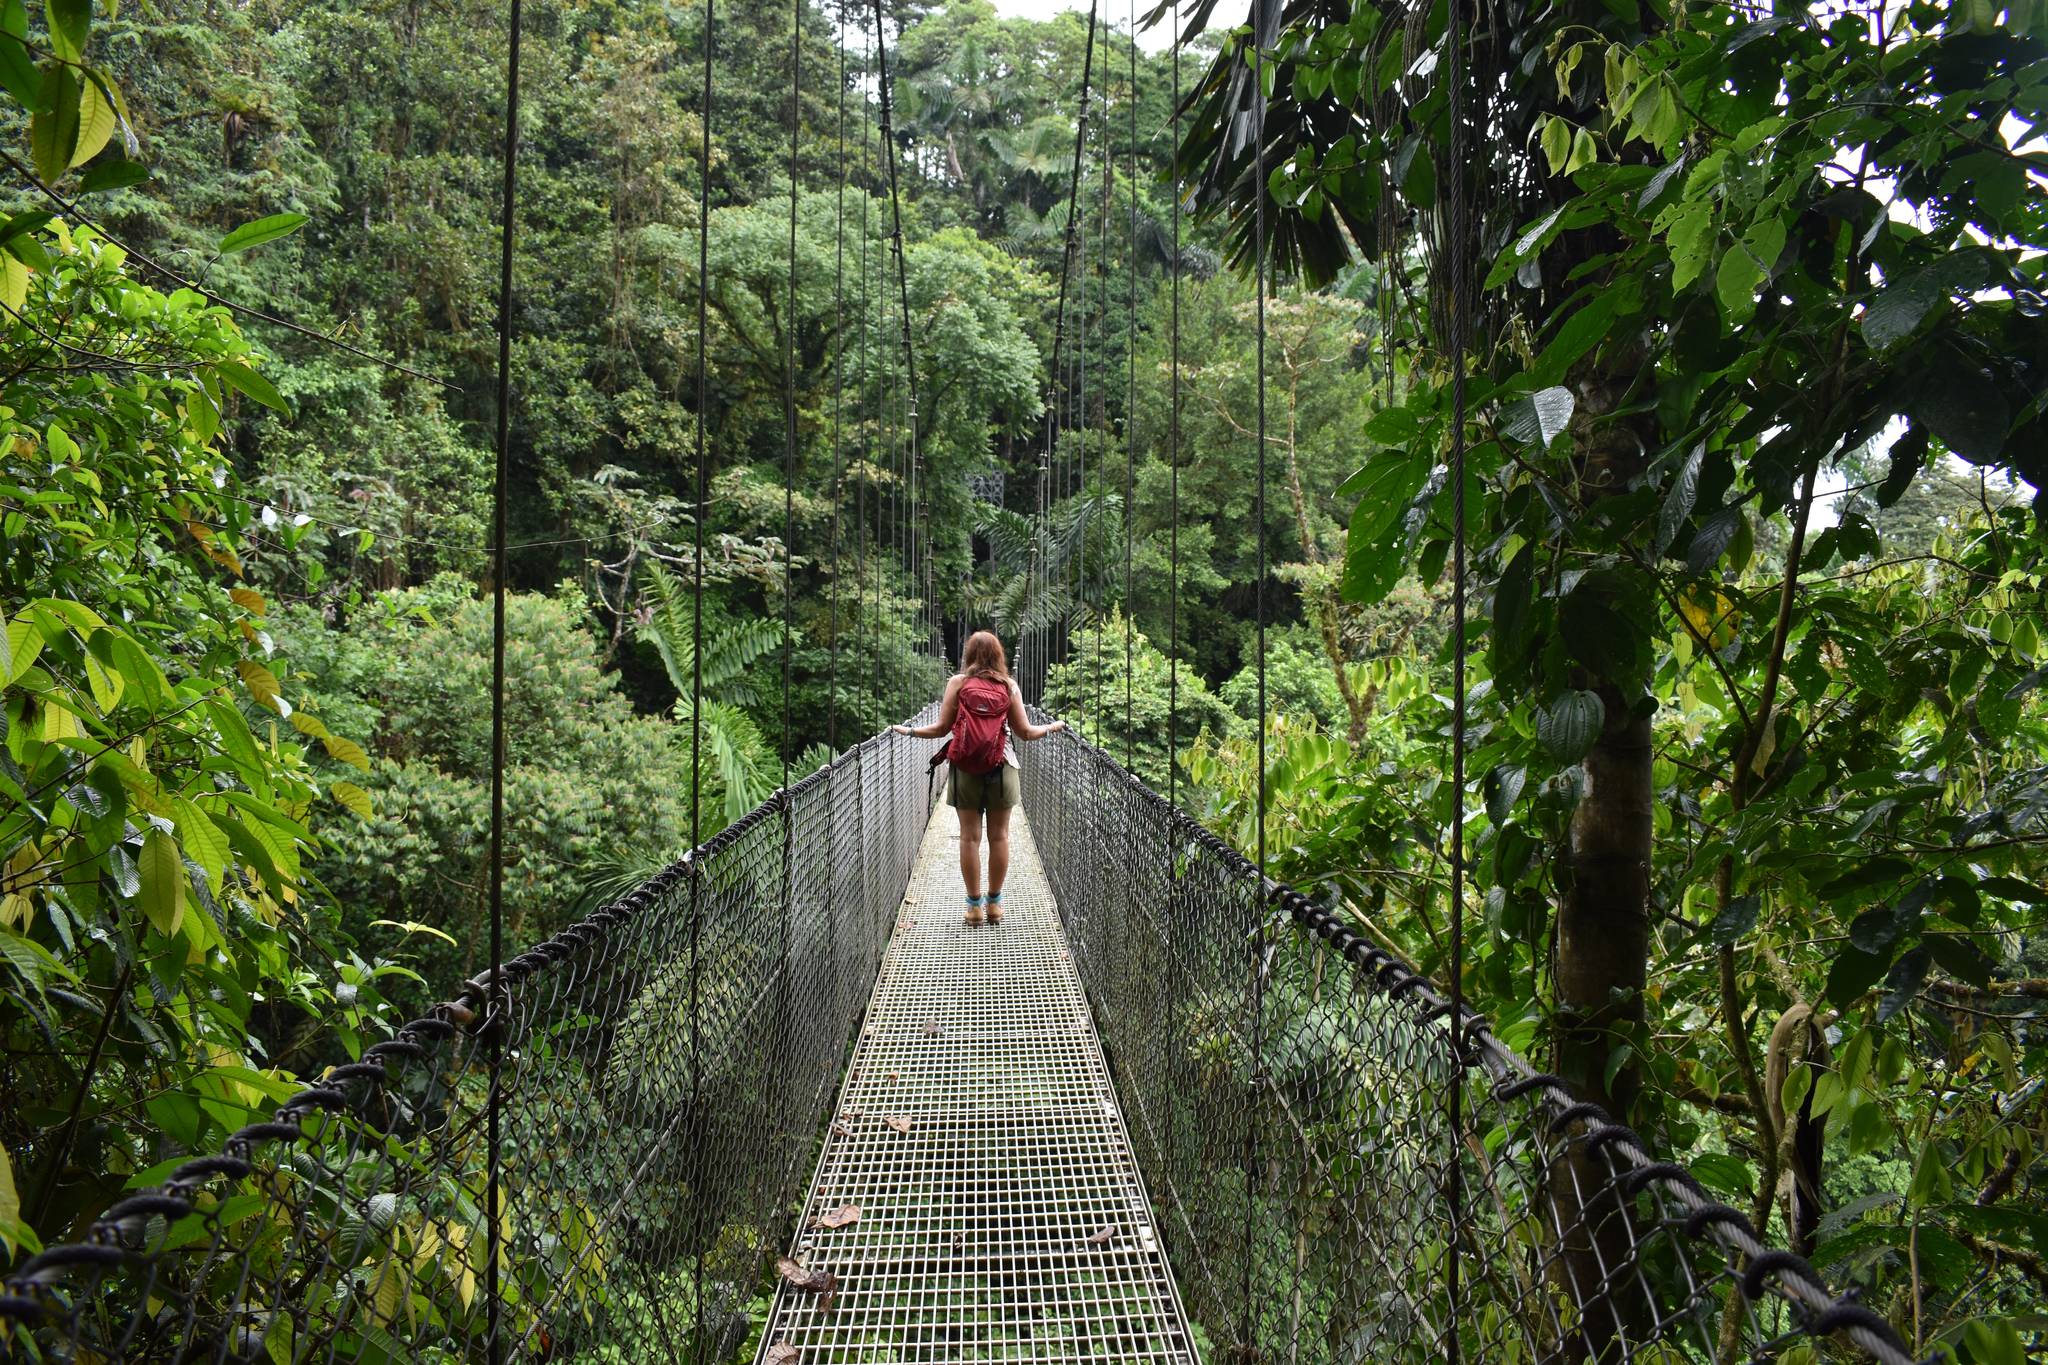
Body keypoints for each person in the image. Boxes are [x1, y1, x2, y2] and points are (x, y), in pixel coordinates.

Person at [892, 631, 1065, 925]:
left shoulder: (958, 684)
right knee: (1000, 837)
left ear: (967, 655)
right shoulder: (1009, 686)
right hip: (1003, 766)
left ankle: (973, 908)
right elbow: (1025, 732)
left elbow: (940, 728)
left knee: (969, 838)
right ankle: (995, 905)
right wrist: (1052, 726)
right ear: (999, 656)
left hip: (966, 768)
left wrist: (908, 731)